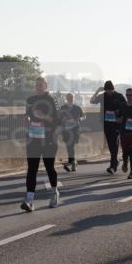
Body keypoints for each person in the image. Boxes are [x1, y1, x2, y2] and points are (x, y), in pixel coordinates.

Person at [21, 77, 59, 211]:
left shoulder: (51, 100)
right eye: (36, 85)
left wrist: (42, 117)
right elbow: (27, 115)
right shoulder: (30, 100)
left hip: (49, 140)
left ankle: (54, 193)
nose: (38, 87)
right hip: (33, 139)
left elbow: (57, 121)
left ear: (46, 86)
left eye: (41, 85)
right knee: (32, 169)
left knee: (49, 168)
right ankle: (30, 199)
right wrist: (26, 119)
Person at [91, 81, 126, 175]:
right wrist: (97, 91)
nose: (108, 92)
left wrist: (119, 113)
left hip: (116, 124)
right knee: (110, 144)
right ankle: (115, 161)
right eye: (107, 90)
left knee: (114, 143)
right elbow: (92, 101)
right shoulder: (103, 96)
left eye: (110, 90)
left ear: (113, 89)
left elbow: (126, 108)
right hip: (106, 123)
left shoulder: (119, 96)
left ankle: (113, 166)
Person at [58, 93, 84, 172]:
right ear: (66, 98)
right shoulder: (63, 108)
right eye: (69, 97)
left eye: (72, 97)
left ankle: (71, 162)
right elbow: (58, 118)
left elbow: (83, 116)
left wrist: (80, 119)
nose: (70, 99)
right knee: (69, 146)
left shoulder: (77, 108)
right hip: (66, 130)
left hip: (74, 130)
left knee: (71, 145)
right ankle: (73, 162)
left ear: (74, 98)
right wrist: (62, 120)